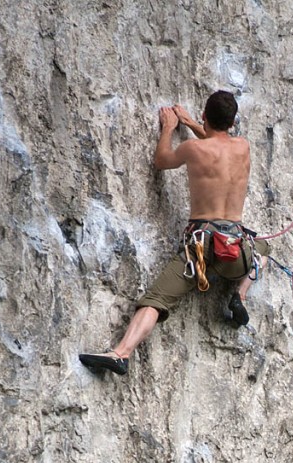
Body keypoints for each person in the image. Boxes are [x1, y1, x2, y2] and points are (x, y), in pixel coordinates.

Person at [79, 91, 269, 377]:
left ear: (206, 116)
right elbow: (218, 144)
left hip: (201, 251)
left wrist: (169, 128)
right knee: (263, 250)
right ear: (232, 123)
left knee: (156, 300)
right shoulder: (243, 147)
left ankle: (121, 353)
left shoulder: (193, 150)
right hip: (236, 251)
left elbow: (162, 160)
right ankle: (239, 294)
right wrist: (194, 124)